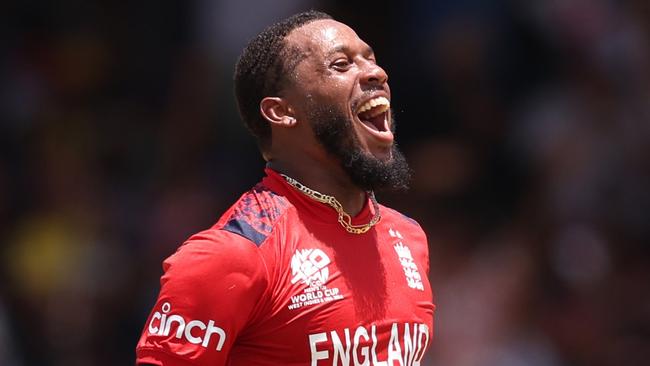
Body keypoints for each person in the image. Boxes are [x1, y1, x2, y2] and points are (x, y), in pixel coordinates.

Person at [135, 10, 435, 366]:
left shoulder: (409, 237)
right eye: (341, 64)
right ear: (282, 112)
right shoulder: (231, 256)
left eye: (371, 59)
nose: (376, 72)